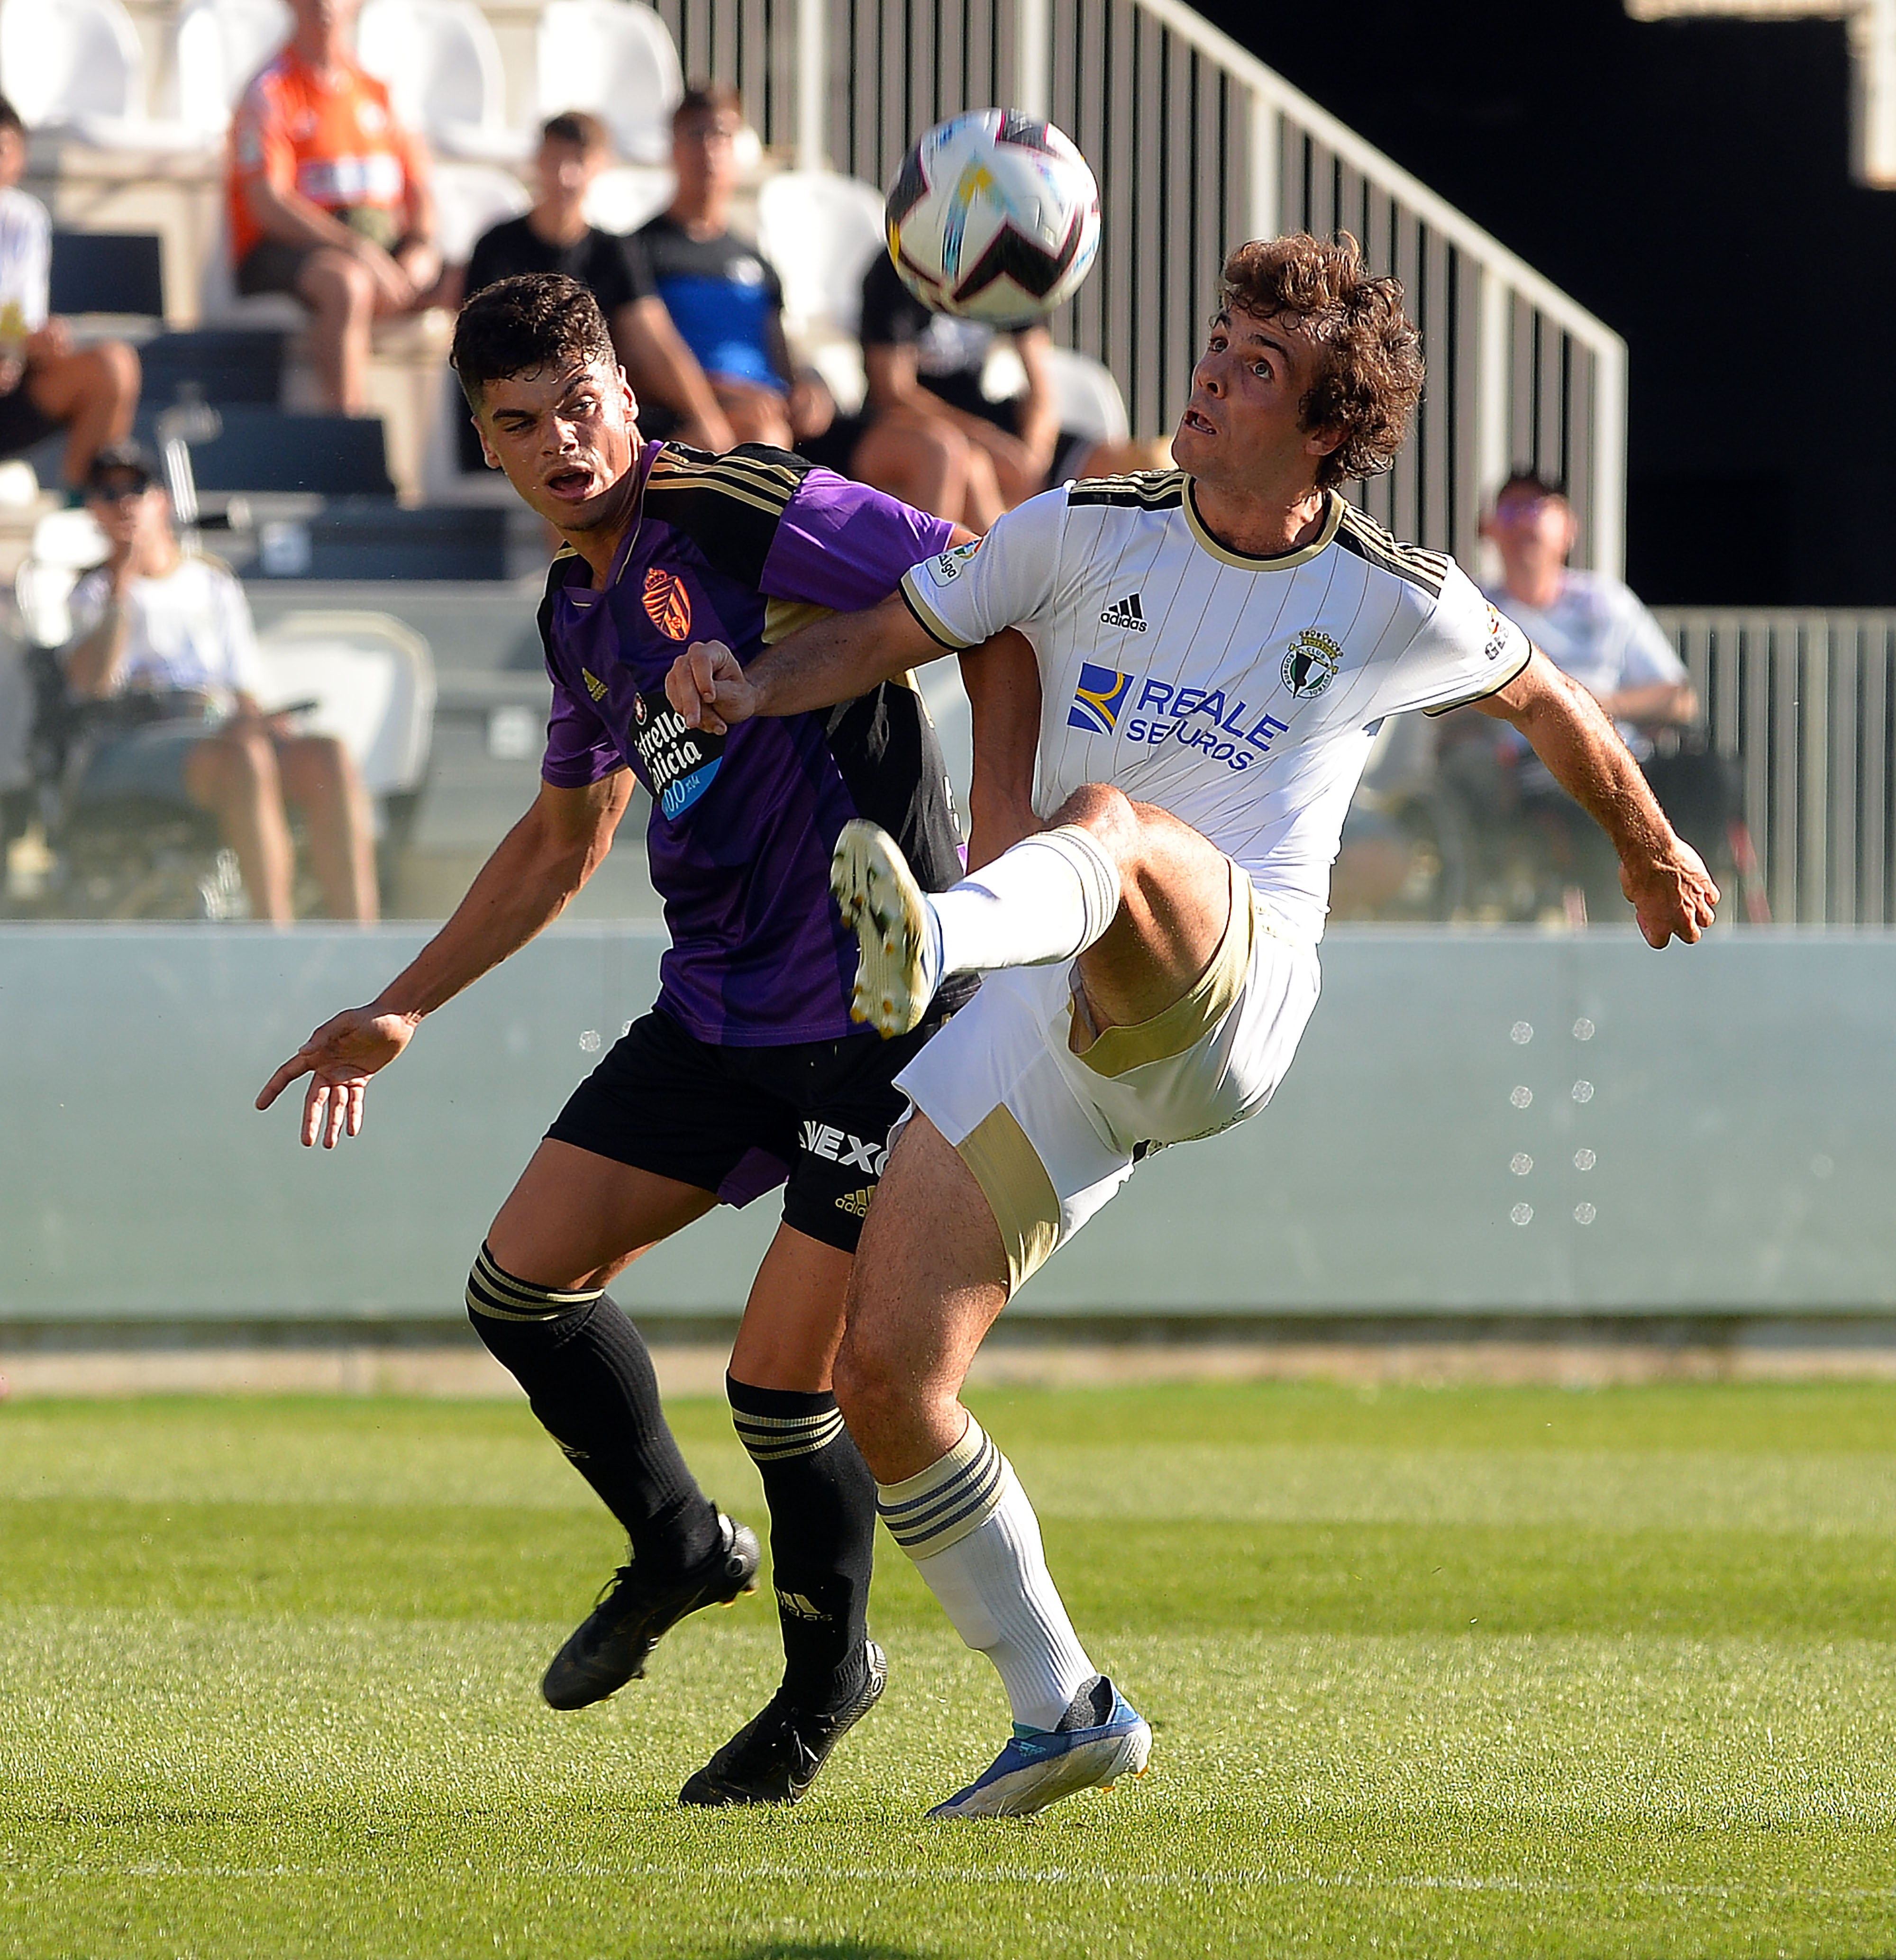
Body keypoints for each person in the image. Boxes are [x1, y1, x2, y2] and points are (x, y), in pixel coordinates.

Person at [667, 232, 1721, 1819]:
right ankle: (1064, 1706)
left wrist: (1647, 845)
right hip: (1063, 1023)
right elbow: (886, 634)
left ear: (1323, 430)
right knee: (885, 1375)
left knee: (1112, 819)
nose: (1209, 377)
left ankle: (929, 938)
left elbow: (1551, 702)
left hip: (1226, 1000)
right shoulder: (1083, 528)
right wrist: (748, 683)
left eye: (1251, 368)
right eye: (1217, 344)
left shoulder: (1391, 595)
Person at [255, 272, 1039, 1807]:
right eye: (519, 424)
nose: (561, 441)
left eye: (580, 404)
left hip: (874, 1015)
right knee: (520, 1285)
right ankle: (679, 1542)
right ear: (487, 445)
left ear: (631, 392)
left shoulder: (748, 501)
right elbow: (561, 844)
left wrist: (996, 850)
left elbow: (985, 579)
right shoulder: (575, 609)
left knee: (779, 1379)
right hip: (717, 1006)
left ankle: (826, 1679)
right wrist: (403, 999)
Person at [63, 442, 379, 924]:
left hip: (219, 728)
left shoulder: (213, 584)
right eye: (109, 493)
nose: (124, 502)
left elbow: (242, 684)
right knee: (243, 758)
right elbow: (94, 685)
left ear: (160, 500)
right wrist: (121, 584)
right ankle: (276, 935)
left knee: (326, 756)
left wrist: (259, 721)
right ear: (94, 510)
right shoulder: (88, 593)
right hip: (136, 739)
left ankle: (360, 938)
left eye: (135, 489)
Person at [1479, 469, 1705, 920]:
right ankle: (1619, 931)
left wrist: (1597, 707)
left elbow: (1681, 699)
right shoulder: (1477, 607)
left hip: (1631, 756)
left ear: (1569, 528)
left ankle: (1700, 897)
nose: (1524, 522)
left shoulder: (1605, 601)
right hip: (1535, 770)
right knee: (1591, 809)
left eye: (1537, 509)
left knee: (1710, 777)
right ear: (1490, 530)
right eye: (1510, 510)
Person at [461, 112, 734, 469]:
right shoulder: (497, 246)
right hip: (520, 415)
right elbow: (480, 351)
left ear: (599, 166)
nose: (565, 176)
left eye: (577, 161)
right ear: (538, 161)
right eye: (555, 159)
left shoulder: (613, 251)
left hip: (586, 410)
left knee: (734, 435)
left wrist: (706, 418)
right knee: (569, 461)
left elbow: (655, 339)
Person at [228, 0, 449, 415]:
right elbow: (268, 204)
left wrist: (419, 250)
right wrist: (357, 250)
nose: (325, 5)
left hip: (377, 243)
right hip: (285, 249)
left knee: (468, 280)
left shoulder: (380, 92)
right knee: (347, 285)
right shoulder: (269, 91)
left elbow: (419, 191)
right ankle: (349, 434)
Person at [842, 249, 1166, 532]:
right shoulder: (901, 268)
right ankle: (1017, 588)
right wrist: (987, 440)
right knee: (973, 468)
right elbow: (893, 392)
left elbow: (1041, 388)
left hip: (986, 415)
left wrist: (1034, 453)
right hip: (922, 424)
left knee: (1137, 468)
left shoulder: (1007, 265)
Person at [631, 85, 831, 453]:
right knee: (763, 435)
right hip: (690, 421)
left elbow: (784, 358)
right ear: (672, 149)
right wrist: (724, 391)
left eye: (722, 134)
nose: (709, 148)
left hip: (768, 411)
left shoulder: (755, 259)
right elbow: (637, 366)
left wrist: (811, 386)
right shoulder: (639, 251)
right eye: (696, 134)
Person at [0, 96, 140, 489]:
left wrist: (32, 344)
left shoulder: (23, 219)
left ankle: (88, 508)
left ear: (20, 158)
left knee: (113, 366)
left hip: (12, 385)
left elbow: (18, 319)